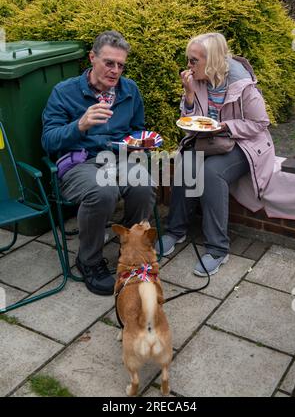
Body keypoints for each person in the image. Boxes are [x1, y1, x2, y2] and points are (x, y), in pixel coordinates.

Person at [42, 30, 156, 296]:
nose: (115, 70)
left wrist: (139, 142)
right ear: (92, 58)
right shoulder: (65, 92)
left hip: (116, 157)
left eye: (120, 65)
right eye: (109, 62)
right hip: (79, 163)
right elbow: (48, 141)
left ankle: (130, 249)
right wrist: (79, 125)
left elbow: (137, 129)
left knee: (143, 184)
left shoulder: (129, 90)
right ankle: (89, 260)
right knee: (103, 190)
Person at [156, 32, 275, 276]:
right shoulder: (197, 80)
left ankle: (218, 248)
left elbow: (260, 123)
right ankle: (175, 231)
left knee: (211, 173)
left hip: (243, 144)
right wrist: (188, 94)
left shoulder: (243, 86)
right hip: (209, 142)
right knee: (187, 163)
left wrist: (226, 126)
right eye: (189, 60)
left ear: (211, 62)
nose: (188, 66)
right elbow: (188, 118)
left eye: (193, 61)